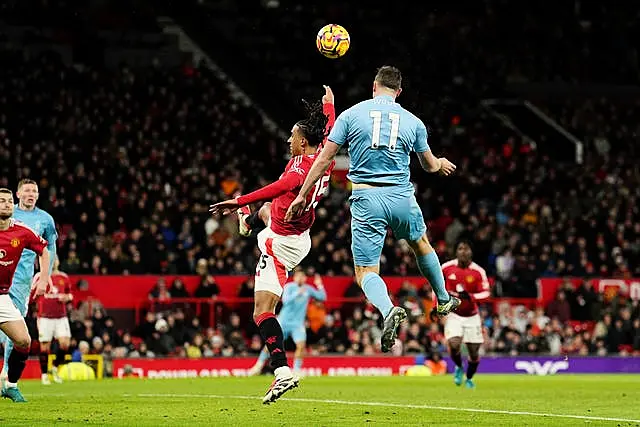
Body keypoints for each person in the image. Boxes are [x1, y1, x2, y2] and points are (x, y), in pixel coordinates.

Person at [286, 66, 460, 353]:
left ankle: (388, 309)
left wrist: (303, 195)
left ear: (374, 86)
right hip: (402, 196)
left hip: (367, 198)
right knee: (421, 244)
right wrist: (440, 162)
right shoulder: (413, 121)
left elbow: (322, 159)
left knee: (366, 270)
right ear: (398, 91)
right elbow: (429, 166)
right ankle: (443, 298)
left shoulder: (352, 114)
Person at [209, 86, 335, 404]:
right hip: (295, 232)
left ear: (302, 142)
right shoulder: (325, 156)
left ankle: (281, 373)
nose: (288, 140)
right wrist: (329, 107)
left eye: (291, 136)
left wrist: (236, 200)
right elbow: (331, 131)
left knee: (262, 311)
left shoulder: (298, 173)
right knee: (266, 212)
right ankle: (247, 223)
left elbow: (272, 188)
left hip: (281, 243)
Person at [0, 179, 57, 384]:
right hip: (4, 274)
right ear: (18, 194)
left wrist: (45, 277)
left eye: (34, 191)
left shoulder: (45, 219)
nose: (30, 194)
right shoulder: (7, 213)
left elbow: (49, 248)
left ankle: (6, 371)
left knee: (17, 330)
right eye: (27, 191)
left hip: (22, 279)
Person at [248, 270, 326, 376]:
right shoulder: (289, 287)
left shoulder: (308, 289)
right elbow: (285, 300)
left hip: (297, 324)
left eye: (302, 276)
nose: (300, 278)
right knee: (271, 343)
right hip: (283, 322)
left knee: (301, 346)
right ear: (294, 278)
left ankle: (297, 370)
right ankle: (258, 366)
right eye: (298, 276)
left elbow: (322, 297)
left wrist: (319, 285)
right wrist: (297, 293)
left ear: (305, 278)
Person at [439, 240, 491, 389]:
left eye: (466, 249)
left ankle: (469, 378)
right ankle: (459, 367)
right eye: (460, 248)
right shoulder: (446, 268)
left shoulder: (478, 271)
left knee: (473, 352)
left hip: (472, 316)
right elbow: (436, 286)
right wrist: (437, 306)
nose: (463, 251)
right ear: (456, 251)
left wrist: (471, 297)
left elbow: (487, 293)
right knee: (454, 344)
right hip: (454, 314)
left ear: (471, 252)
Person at [34, 256, 73, 385]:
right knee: (45, 346)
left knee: (65, 344)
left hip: (61, 316)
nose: (53, 261)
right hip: (45, 316)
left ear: (58, 261)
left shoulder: (64, 277)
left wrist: (67, 297)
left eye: (55, 258)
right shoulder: (40, 276)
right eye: (50, 259)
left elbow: (70, 294)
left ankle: (55, 368)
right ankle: (44, 375)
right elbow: (31, 294)